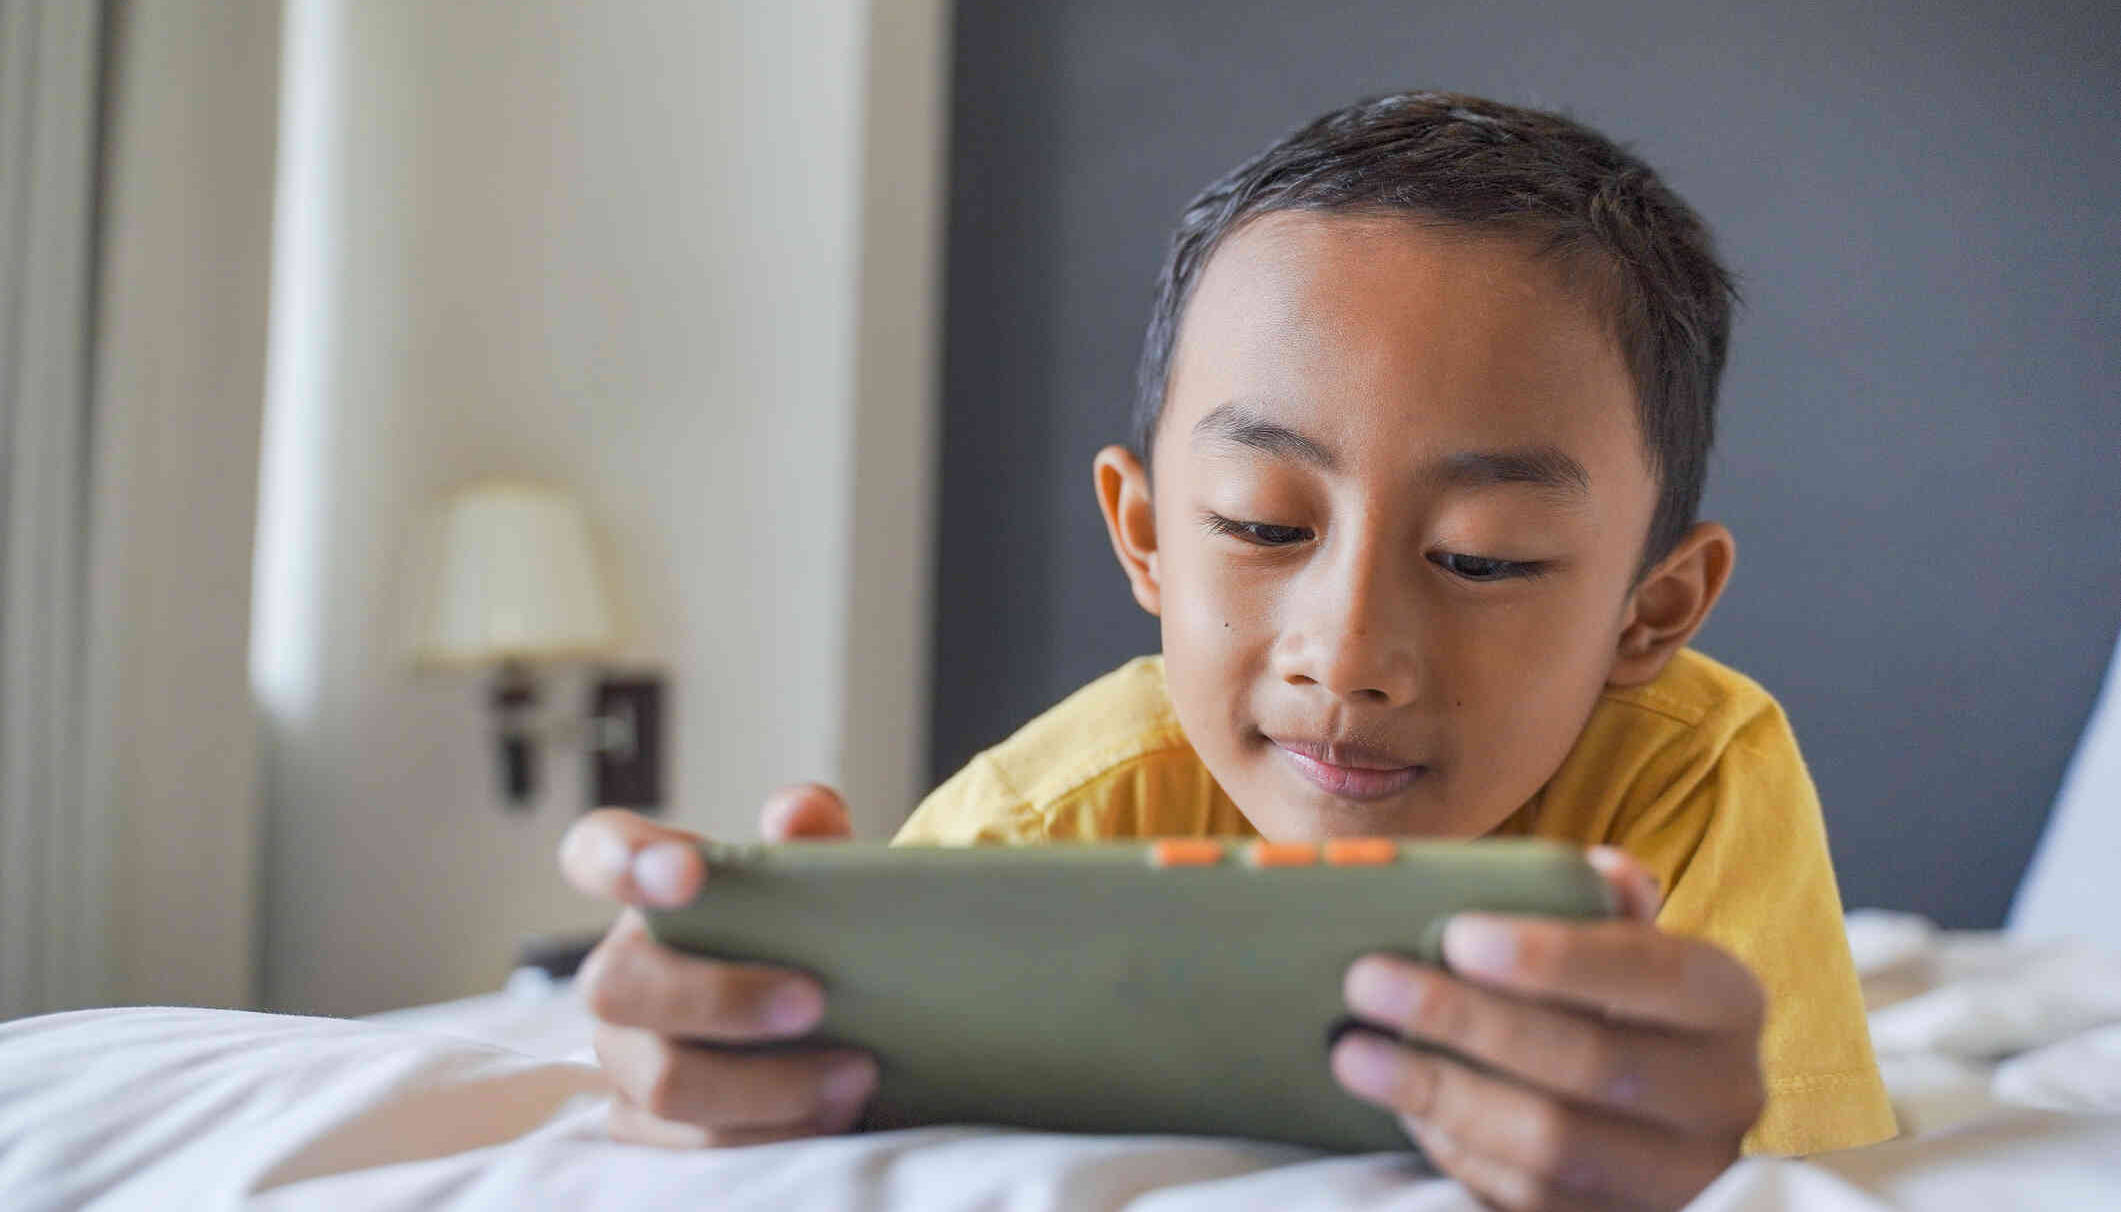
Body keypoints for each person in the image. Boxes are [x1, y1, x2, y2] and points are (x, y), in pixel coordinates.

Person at [557, 92, 1897, 1210]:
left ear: (1650, 612)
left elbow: (1781, 1166)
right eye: (1262, 523)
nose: (1349, 652)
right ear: (1144, 536)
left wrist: (1699, 1150)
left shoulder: (1691, 779)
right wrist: (719, 1053)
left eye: (1483, 554)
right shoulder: (1042, 824)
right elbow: (814, 1109)